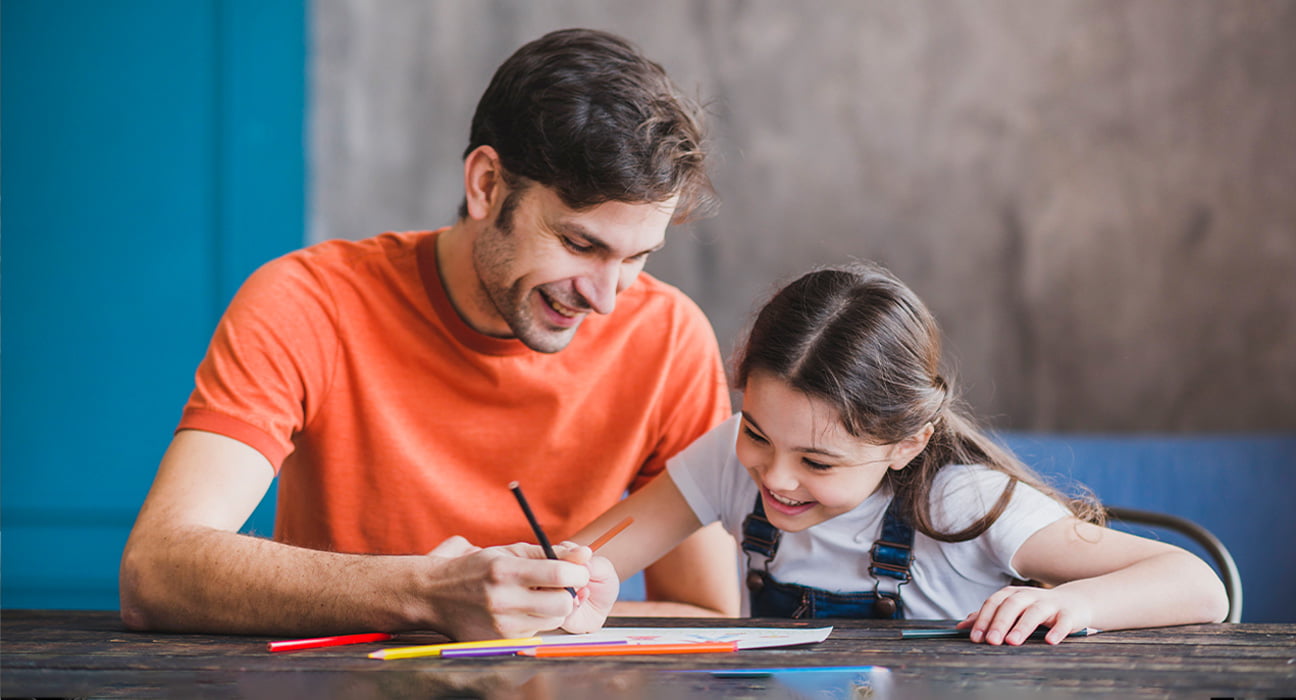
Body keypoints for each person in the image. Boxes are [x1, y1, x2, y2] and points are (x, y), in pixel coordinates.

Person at [119, 28, 739, 641]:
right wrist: (424, 594)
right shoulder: (308, 301)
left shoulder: (669, 336)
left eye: (637, 258)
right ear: (486, 185)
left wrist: (525, 616)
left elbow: (708, 614)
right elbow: (157, 570)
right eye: (580, 243)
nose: (605, 299)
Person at [573, 261, 1230, 644]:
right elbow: (575, 564)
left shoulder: (962, 501)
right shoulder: (729, 455)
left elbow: (1200, 586)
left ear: (905, 442)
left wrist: (1076, 605)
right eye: (757, 434)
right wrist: (574, 584)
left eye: (818, 462)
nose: (775, 477)